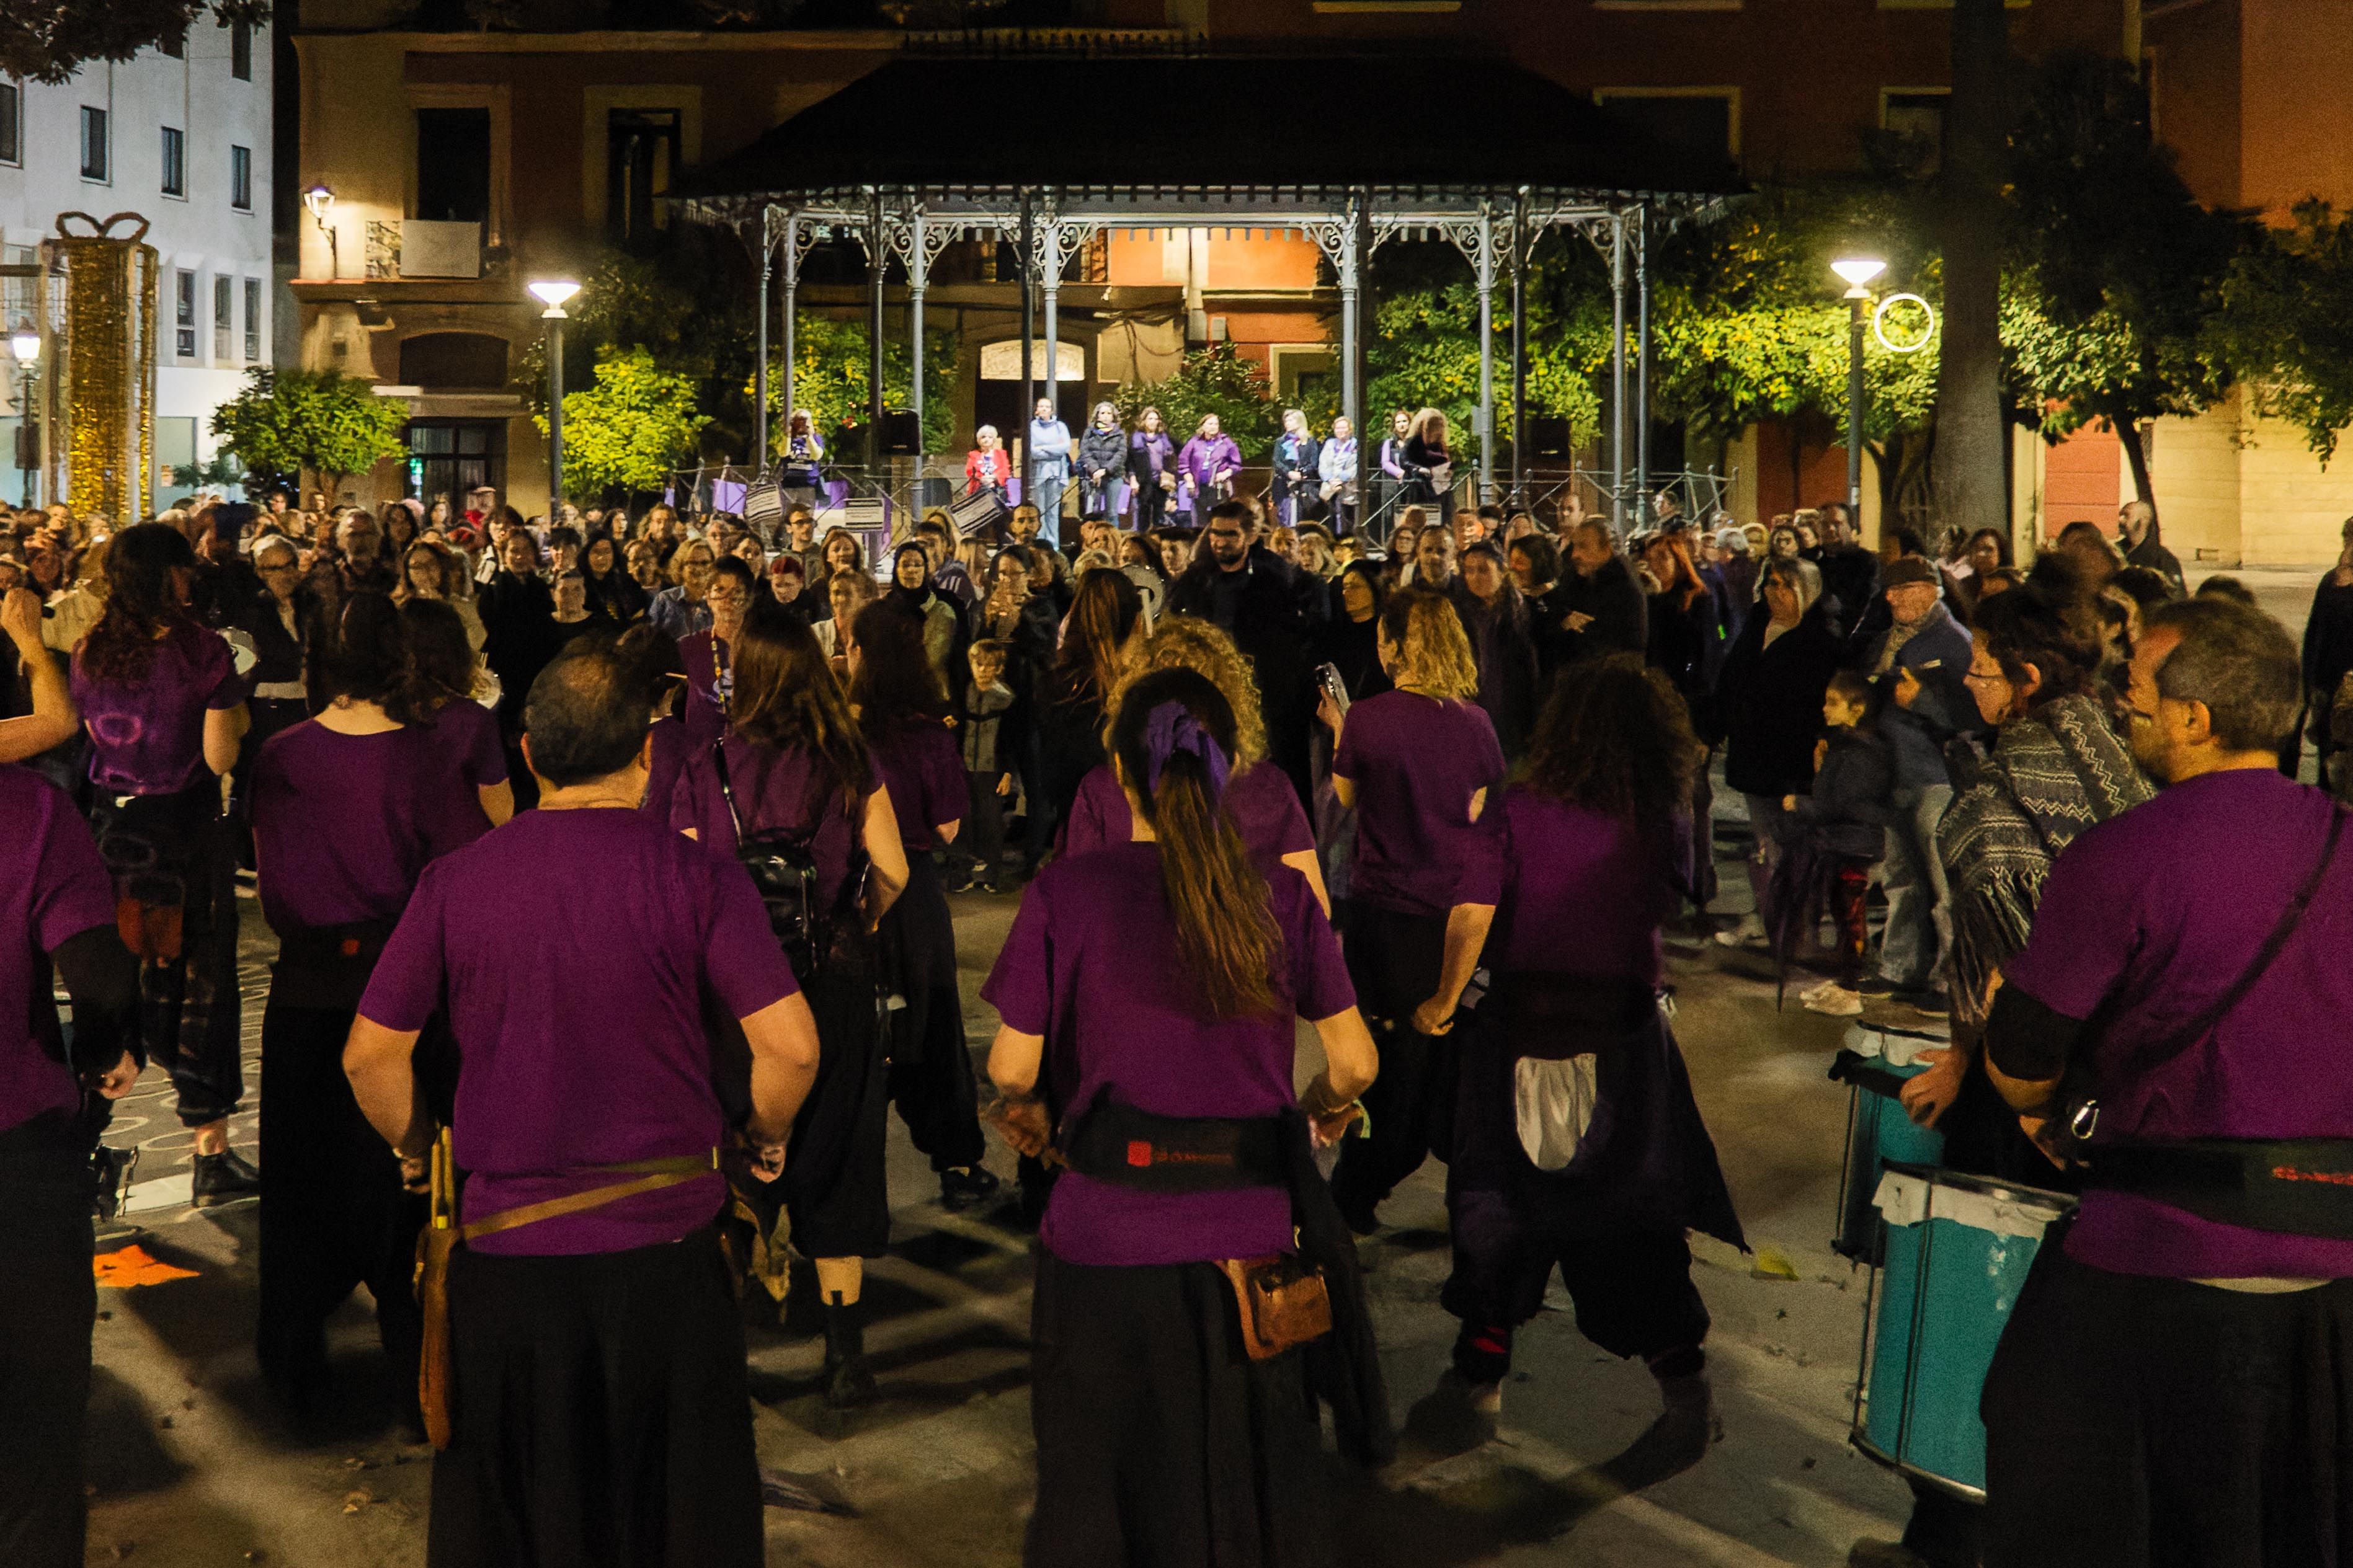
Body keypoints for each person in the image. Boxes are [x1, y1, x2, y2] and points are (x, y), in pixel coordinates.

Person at [342, 643, 821, 1566]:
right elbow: (791, 1046)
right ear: (646, 757)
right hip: (668, 1262)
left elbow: (371, 1056)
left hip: (510, 1263)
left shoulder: (457, 881)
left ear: (526, 755)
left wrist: (417, 1145)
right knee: (671, 1521)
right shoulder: (696, 876)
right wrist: (760, 1133)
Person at [1972, 596, 2353, 1568]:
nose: (2118, 706)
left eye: (2134, 689)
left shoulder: (2123, 854)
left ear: (2194, 717)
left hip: (2156, 1260)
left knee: (2053, 1474)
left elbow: (2021, 1062)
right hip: (2334, 1271)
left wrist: (2033, 1098)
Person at [981, 667, 1383, 1566]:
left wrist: (1036, 1115)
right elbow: (1355, 1061)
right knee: (1237, 1502)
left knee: (1101, 1502)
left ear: (1122, 775)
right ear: (1231, 765)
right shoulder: (1279, 897)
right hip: (1247, 1256)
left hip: (1103, 1248)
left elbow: (1012, 1066)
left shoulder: (1068, 892)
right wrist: (1319, 1110)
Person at [1405, 657, 1742, 1464]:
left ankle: (1479, 1377)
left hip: (1520, 1027)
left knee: (1495, 1199)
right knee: (1629, 1217)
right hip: (1624, 1041)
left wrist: (1444, 999)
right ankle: (1682, 1385)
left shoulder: (1512, 805)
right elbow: (1682, 889)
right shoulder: (1652, 811)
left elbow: (1475, 905)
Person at [247, 596, 485, 1420]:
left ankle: (294, 1362)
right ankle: (414, 1353)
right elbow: (457, 875)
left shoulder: (279, 755)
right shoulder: (421, 758)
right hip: (404, 989)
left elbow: (268, 873)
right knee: (409, 1178)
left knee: (300, 1182)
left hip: (306, 987)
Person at [667, 615, 909, 1405]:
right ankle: (846, 1354)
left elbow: (684, 874)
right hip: (833, 983)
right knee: (837, 1162)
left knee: (730, 1160)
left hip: (738, 997)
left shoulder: (708, 764)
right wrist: (856, 919)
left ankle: (716, 1346)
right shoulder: (848, 760)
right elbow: (896, 871)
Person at [69, 523, 257, 1204]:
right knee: (199, 986)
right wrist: (236, 714)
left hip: (113, 832)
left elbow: (91, 737)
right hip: (184, 838)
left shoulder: (90, 651)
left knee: (114, 979)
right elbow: (217, 757)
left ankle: (83, 1139)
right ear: (168, 575)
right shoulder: (201, 651)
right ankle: (211, 1154)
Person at [1322, 590, 1505, 1233]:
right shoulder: (1477, 724)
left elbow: (1338, 805)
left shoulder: (1368, 720)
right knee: (1441, 1069)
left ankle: (1354, 1195)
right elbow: (1479, 824)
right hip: (1450, 920)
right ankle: (1470, 1204)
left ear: (1396, 646)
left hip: (1383, 918)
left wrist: (1342, 737)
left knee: (1384, 1072)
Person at [0, 740, 140, 1568]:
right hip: (18, 1160)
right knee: (37, 1442)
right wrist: (101, 1051)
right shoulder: (29, 810)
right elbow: (97, 971)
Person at [848, 603, 997, 1213]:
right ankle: (958, 1162)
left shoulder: (843, 731)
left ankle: (850, 1184)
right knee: (933, 1034)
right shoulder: (929, 733)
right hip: (916, 899)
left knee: (856, 1038)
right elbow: (948, 826)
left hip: (853, 896)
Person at [1061, 615, 1328, 910]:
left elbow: (1077, 902)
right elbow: (1315, 908)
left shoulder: (1104, 787)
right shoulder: (1268, 785)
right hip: (1248, 950)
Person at [1860, 557, 1980, 1009]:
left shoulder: (1956, 643)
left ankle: (1951, 981)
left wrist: (1925, 700)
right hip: (1892, 776)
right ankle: (1900, 969)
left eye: (1905, 589)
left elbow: (1978, 718)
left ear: (1933, 590)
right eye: (1889, 590)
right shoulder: (1886, 641)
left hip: (1937, 778)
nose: (1892, 598)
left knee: (1946, 888)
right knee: (1901, 880)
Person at [1713, 558, 1843, 948]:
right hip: (1753, 751)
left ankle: (1797, 923)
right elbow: (1733, 679)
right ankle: (1768, 914)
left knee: (1794, 845)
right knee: (1763, 841)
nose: (1775, 592)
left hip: (1793, 757)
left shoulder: (1822, 639)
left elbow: (1819, 701)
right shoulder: (1757, 625)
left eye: (1785, 585)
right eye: (1770, 584)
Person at [1167, 498, 1325, 802]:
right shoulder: (1198, 580)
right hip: (1210, 690)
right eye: (1215, 534)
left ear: (1250, 537)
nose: (1221, 543)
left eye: (1230, 535)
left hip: (1266, 693)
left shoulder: (1276, 580)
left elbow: (1292, 637)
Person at [1786, 671, 1896, 1017]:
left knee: (1851, 917)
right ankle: (1851, 978)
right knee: (1843, 912)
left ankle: (1854, 983)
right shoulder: (1846, 745)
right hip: (1843, 843)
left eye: (1833, 702)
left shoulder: (1862, 753)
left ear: (1858, 708)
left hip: (1855, 845)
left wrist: (1800, 804)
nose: (1824, 708)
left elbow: (1843, 802)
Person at [1034, 568, 1145, 853]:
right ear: (1136, 623)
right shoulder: (1139, 695)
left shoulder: (1056, 686)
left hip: (1074, 834)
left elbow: (1049, 775)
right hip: (1129, 842)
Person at [476, 526, 558, 812]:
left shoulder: (541, 590)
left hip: (538, 679)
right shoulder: (495, 589)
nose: (520, 556)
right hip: (507, 681)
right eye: (514, 551)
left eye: (525, 551)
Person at [1451, 539, 1539, 761]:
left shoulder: (1522, 612)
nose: (1475, 578)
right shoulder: (1458, 614)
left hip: (1511, 713)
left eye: (1483, 570)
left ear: (1501, 571)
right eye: (1469, 571)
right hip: (1472, 709)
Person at [949, 639, 1018, 895]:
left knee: (990, 819)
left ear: (999, 668)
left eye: (990, 666)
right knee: (964, 817)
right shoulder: (964, 692)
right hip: (965, 765)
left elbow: (1010, 740)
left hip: (991, 768)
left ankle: (990, 873)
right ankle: (963, 871)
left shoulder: (1006, 699)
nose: (984, 671)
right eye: (979, 665)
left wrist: (1008, 773)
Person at [1542, 520, 1648, 682]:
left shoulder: (1622, 587)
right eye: (1575, 546)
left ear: (1606, 548)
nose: (1574, 555)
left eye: (1583, 546)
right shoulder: (1580, 577)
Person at [677, 556, 759, 750]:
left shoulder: (762, 647)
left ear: (748, 598)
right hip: (701, 754)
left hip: (753, 750)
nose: (728, 600)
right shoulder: (688, 647)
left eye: (737, 592)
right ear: (707, 595)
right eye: (720, 590)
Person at [2303, 516, 2353, 797]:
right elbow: (2315, 635)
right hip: (2330, 684)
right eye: (2346, 540)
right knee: (2328, 759)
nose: (2347, 549)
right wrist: (2310, 684)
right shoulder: (2331, 582)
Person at [881, 539, 966, 685]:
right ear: (896, 569)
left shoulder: (947, 606)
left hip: (937, 693)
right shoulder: (884, 609)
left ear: (926, 569)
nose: (912, 570)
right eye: (905, 565)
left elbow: (956, 654)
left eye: (918, 565)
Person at [1813, 502, 1879, 648]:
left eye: (1838, 524)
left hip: (1852, 642)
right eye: (1825, 524)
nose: (1831, 529)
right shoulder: (1811, 561)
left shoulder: (1866, 562)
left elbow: (1870, 607)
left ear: (1851, 527)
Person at [647, 537, 716, 643]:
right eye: (692, 563)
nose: (699, 568)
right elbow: (649, 639)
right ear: (680, 567)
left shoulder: (718, 602)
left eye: (705, 563)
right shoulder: (665, 600)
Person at [1176, 414, 1242, 525]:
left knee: (1220, 519)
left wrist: (1226, 473)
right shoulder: (1194, 442)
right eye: (1210, 424)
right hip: (1199, 488)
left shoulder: (1226, 442)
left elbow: (1236, 464)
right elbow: (1183, 462)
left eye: (1216, 424)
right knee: (1199, 521)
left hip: (1218, 489)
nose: (1214, 426)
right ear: (1203, 426)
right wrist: (1189, 479)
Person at [1123, 406, 1177, 534]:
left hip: (1160, 482)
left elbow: (1178, 453)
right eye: (1150, 418)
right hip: (1143, 482)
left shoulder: (1164, 438)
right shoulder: (1135, 438)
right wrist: (1133, 478)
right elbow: (1129, 461)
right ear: (1144, 421)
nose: (1153, 421)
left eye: (1155, 419)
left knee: (1159, 517)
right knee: (1143, 517)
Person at [2116, 498, 2185, 597]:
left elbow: (2176, 597)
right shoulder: (2115, 552)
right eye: (2120, 515)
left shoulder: (2163, 560)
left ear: (2143, 521)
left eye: (2126, 515)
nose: (2120, 520)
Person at [1028, 398, 1073, 543]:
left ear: (1052, 410)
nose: (1044, 409)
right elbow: (1033, 451)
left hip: (1056, 472)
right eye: (1041, 406)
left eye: (1047, 407)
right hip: (1039, 472)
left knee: (1053, 510)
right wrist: (1054, 449)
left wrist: (1044, 448)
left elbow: (1065, 448)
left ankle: (1054, 544)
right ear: (1037, 409)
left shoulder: (1060, 427)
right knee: (1039, 509)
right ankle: (1040, 541)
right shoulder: (1032, 427)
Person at [1400, 407, 1453, 526]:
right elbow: (1404, 462)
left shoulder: (1439, 446)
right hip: (1418, 488)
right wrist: (1420, 469)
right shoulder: (1412, 442)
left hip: (1438, 488)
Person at [1077, 402, 1127, 525]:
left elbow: (1121, 453)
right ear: (1097, 416)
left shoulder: (1120, 433)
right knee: (1093, 511)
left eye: (1109, 413)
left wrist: (1105, 470)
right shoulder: (1090, 432)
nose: (1106, 416)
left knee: (1111, 512)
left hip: (1113, 477)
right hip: (1094, 477)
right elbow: (1085, 451)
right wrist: (1095, 470)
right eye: (1103, 413)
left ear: (1113, 416)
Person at [582, 534, 649, 626]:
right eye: (596, 552)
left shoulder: (626, 583)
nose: (602, 557)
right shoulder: (579, 586)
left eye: (607, 552)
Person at [1271, 408, 1321, 528]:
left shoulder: (1310, 441)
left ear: (1300, 422)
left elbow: (1313, 462)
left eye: (1291, 420)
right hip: (1284, 484)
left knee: (1303, 519)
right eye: (1286, 421)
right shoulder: (1281, 442)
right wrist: (1289, 473)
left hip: (1304, 485)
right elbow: (1277, 462)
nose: (1287, 423)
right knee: (1284, 518)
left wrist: (1301, 474)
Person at [780, 408, 827, 492]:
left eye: (805, 422)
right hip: (789, 483)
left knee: (807, 506)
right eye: (799, 421)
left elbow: (817, 456)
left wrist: (809, 436)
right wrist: (788, 436)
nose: (802, 425)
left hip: (809, 484)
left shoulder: (816, 438)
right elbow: (783, 453)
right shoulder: (789, 439)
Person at [966, 426, 1012, 502]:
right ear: (979, 440)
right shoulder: (973, 455)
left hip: (998, 489)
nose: (986, 440)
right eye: (983, 437)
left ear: (994, 440)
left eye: (990, 437)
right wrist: (983, 479)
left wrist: (994, 477)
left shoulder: (1001, 454)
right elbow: (970, 471)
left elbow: (1005, 470)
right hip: (980, 489)